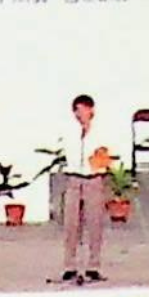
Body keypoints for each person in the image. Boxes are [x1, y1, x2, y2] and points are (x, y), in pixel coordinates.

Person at [60, 93, 110, 284]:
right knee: (71, 224)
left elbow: (105, 155)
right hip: (74, 179)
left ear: (91, 110)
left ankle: (93, 265)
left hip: (93, 179)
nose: (80, 114)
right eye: (77, 111)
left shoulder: (101, 132)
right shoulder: (69, 131)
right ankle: (70, 265)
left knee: (95, 223)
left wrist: (97, 162)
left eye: (83, 110)